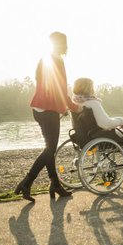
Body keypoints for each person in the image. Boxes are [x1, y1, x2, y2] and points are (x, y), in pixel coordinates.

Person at [14, 32, 80, 202]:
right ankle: (27, 182)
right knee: (50, 150)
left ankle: (55, 184)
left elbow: (48, 88)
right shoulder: (57, 60)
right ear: (63, 44)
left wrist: (61, 107)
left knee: (49, 150)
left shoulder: (44, 59)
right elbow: (60, 88)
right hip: (49, 111)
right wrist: (73, 107)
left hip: (39, 109)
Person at [71, 77, 123, 165]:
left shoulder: (75, 104)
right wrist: (121, 121)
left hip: (85, 139)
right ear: (89, 88)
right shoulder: (93, 103)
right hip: (101, 137)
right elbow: (106, 124)